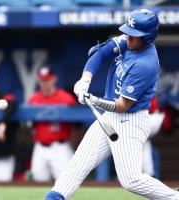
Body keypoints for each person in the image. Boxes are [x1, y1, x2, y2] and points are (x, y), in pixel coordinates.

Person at [46, 9, 179, 200]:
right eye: (128, 33)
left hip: (131, 121)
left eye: (135, 36)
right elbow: (99, 53)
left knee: (130, 180)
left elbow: (122, 105)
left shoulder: (145, 65)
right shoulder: (130, 41)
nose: (128, 38)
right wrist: (85, 80)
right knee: (78, 164)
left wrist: (95, 100)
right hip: (111, 117)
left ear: (148, 38)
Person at [28, 66, 76, 182]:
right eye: (42, 80)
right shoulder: (34, 99)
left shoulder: (66, 98)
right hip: (40, 147)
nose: (45, 83)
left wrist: (73, 145)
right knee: (37, 182)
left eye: (47, 80)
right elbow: (28, 126)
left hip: (60, 147)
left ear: (54, 79)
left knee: (65, 182)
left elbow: (77, 125)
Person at [142, 97, 165, 177]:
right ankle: (149, 174)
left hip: (152, 117)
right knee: (143, 145)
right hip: (152, 117)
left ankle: (148, 174)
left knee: (137, 141)